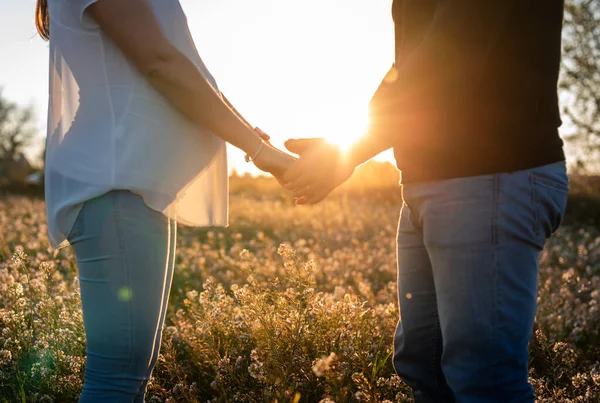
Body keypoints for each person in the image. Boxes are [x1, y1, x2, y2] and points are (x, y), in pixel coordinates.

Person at [283, 1, 569, 402]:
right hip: (431, 183)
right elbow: (411, 64)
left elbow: (453, 45)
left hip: (491, 176)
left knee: (484, 381)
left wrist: (345, 153)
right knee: (426, 367)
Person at [35, 0, 294, 401]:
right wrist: (262, 154)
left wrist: (250, 135)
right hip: (116, 180)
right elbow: (159, 61)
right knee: (118, 375)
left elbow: (181, 64)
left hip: (129, 179)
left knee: (131, 371)